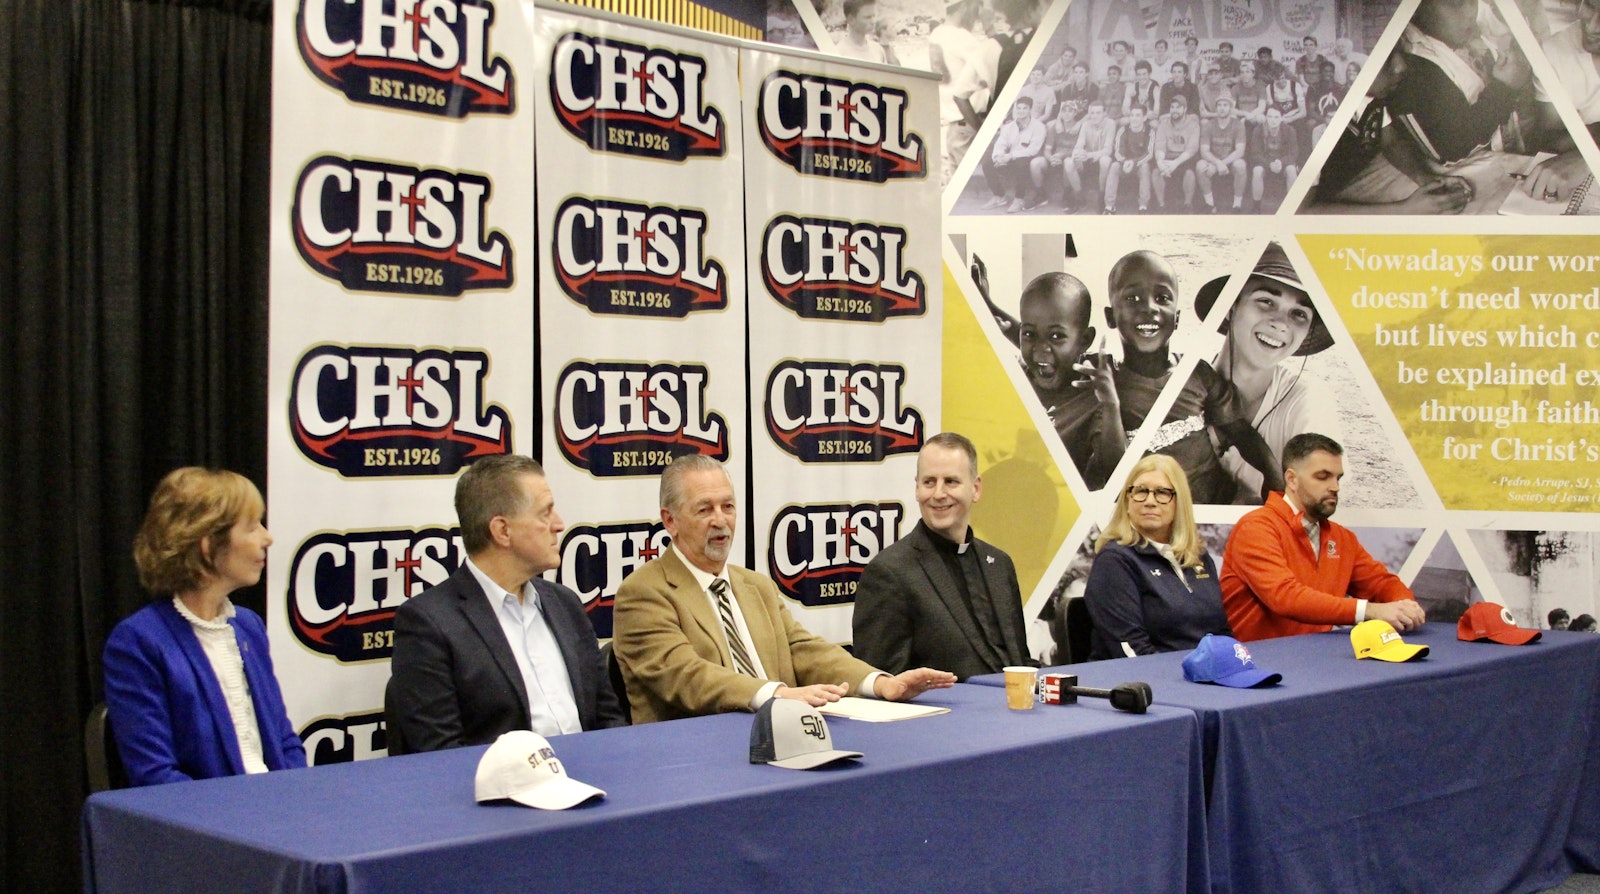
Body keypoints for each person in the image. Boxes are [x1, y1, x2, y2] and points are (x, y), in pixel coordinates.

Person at [612, 455, 955, 723]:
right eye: (705, 509)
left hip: (781, 740)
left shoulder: (754, 586)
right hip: (695, 755)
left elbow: (804, 649)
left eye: (728, 506)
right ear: (670, 520)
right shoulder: (643, 593)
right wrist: (775, 693)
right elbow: (687, 676)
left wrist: (880, 684)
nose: (721, 520)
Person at [388, 455, 625, 753]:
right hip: (505, 794)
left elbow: (608, 717)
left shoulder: (565, 604)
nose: (559, 524)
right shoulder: (429, 623)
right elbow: (441, 756)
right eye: (545, 513)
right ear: (502, 531)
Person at [103, 468, 305, 786]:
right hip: (206, 824)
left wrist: (296, 797)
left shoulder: (247, 626)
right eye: (252, 527)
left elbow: (284, 742)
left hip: (274, 812)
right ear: (208, 545)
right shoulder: (138, 642)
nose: (268, 538)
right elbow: (154, 775)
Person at [1077, 250, 1277, 497]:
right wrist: (1110, 403)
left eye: (1162, 298)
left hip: (1210, 509)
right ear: (1110, 317)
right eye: (1132, 299)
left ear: (1177, 318)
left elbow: (1243, 434)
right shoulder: (1100, 376)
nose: (1149, 308)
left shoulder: (1197, 372)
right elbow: (1111, 475)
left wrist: (1277, 483)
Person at [853, 434, 1034, 680]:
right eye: (929, 482)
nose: (939, 494)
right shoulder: (889, 573)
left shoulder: (1000, 565)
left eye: (951, 482)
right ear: (917, 488)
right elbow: (883, 685)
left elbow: (1020, 661)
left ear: (976, 489)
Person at [1221, 433, 1426, 641]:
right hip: (1258, 665)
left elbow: (1381, 584)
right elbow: (1285, 597)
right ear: (1292, 479)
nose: (1335, 487)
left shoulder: (1342, 537)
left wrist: (1403, 606)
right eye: (1323, 476)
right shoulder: (1256, 528)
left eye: (1338, 478)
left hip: (1319, 663)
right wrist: (1370, 611)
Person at [1199, 242, 1335, 502]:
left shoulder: (1307, 401)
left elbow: (1313, 510)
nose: (1281, 323)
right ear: (1230, 307)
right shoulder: (1180, 385)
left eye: (1299, 313)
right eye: (1265, 301)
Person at [1085, 455, 1230, 659]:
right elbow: (1131, 651)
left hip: (1205, 678)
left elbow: (1221, 632)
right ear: (1127, 501)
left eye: (1162, 493)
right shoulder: (1115, 560)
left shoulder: (1197, 556)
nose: (1150, 502)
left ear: (1179, 502)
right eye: (1141, 491)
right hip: (1149, 682)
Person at [974, 259, 1101, 477]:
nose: (1041, 350)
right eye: (1030, 335)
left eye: (1056, 336)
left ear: (1085, 339)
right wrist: (987, 305)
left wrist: (1110, 405)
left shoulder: (1097, 384)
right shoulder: (1019, 375)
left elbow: (1109, 470)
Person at [983, 94, 1047, 211]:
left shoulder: (1039, 127)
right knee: (987, 163)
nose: (1021, 111)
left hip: (1029, 160)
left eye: (1024, 108)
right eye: (1018, 108)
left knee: (1021, 163)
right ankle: (999, 196)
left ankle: (1019, 199)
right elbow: (1000, 143)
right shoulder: (1008, 127)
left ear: (1030, 110)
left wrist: (1010, 156)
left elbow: (1033, 150)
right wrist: (998, 156)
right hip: (1010, 159)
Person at [1197, 91, 1248, 211]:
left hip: (1230, 162)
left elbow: (1240, 151)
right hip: (1214, 162)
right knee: (1200, 166)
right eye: (1219, 105)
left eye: (1225, 105)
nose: (1222, 108)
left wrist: (1222, 163)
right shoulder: (1209, 125)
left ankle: (1237, 205)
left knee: (1241, 165)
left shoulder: (1238, 125)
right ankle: (1209, 204)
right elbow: (1204, 151)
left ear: (1230, 108)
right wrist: (1217, 163)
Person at [1152, 93, 1201, 210]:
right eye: (1172, 107)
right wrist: (1160, 162)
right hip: (1168, 156)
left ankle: (1187, 204)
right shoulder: (1164, 124)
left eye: (1178, 107)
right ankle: (1161, 205)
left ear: (1185, 109)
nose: (1174, 110)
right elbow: (1160, 145)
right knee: (1156, 171)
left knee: (1189, 172)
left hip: (1184, 157)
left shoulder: (1193, 124)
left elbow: (1192, 149)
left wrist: (1175, 163)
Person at [1065, 99, 1116, 210]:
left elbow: (1108, 150)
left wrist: (1089, 155)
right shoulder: (1086, 124)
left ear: (1104, 114)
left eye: (1098, 113)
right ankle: (1079, 197)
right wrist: (1078, 153)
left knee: (1105, 160)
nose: (1094, 116)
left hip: (1101, 160)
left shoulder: (1110, 124)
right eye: (1092, 113)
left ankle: (1102, 195)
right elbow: (1079, 144)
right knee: (1068, 162)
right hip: (1087, 161)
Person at [1106, 103, 1155, 212]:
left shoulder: (1149, 131)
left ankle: (1143, 206)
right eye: (1132, 115)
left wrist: (1134, 162)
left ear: (1144, 118)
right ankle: (1109, 206)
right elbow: (1117, 151)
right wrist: (1124, 162)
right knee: (1114, 166)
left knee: (1145, 167)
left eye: (1138, 115)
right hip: (1124, 164)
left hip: (1139, 164)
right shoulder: (1123, 130)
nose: (1134, 118)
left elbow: (1149, 153)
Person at [1249, 105, 1301, 207]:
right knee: (1257, 171)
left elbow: (1294, 153)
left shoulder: (1289, 130)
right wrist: (1269, 164)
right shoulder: (1258, 130)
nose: (1273, 120)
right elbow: (1255, 154)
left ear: (1282, 118)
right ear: (1266, 117)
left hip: (1282, 163)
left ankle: (1292, 205)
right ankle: (1256, 205)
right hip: (1265, 162)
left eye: (1276, 117)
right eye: (1270, 117)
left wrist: (1281, 162)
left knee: (1291, 169)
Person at [834, 0, 893, 64]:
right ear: (851, 20)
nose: (873, 21)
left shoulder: (878, 50)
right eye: (868, 17)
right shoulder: (839, 53)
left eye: (874, 16)